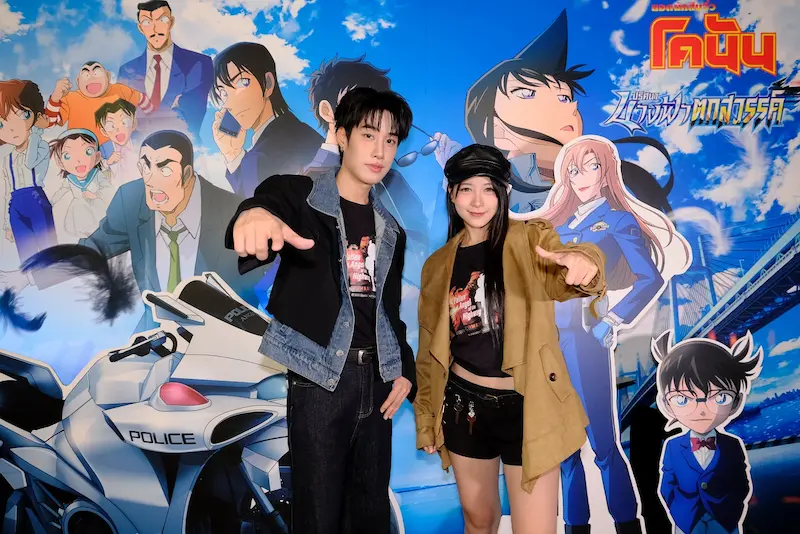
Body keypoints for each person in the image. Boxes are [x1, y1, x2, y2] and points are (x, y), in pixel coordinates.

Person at [225, 87, 416, 533]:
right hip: (319, 380)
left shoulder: (391, 230)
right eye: (368, 135)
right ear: (342, 136)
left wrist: (404, 370)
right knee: (317, 516)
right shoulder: (300, 196)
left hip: (379, 381)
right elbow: (263, 205)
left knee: (370, 516)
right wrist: (253, 216)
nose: (380, 150)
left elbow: (389, 312)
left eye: (390, 140)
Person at [414, 143, 607, 534]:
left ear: (504, 192)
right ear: (452, 194)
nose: (477, 201)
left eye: (489, 188)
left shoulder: (529, 239)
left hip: (528, 404)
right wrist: (426, 417)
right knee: (478, 521)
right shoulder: (436, 266)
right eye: (466, 189)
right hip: (464, 405)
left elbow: (569, 265)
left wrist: (586, 262)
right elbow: (429, 350)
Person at [532, 134, 692, 534]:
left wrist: (614, 319)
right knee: (565, 449)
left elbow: (649, 277)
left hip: (585, 338)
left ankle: (626, 525)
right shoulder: (556, 225)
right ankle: (576, 527)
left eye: (591, 166)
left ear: (606, 172)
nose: (581, 176)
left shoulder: (618, 220)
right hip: (546, 341)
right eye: (573, 169)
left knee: (602, 444)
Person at [0, 130, 270, 333]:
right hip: (157, 332)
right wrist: (28, 276)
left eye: (164, 167)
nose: (151, 180)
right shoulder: (131, 200)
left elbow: (263, 283)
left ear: (188, 174)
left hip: (224, 336)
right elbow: (92, 249)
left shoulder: (233, 212)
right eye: (145, 166)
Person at [652, 330, 762, 534]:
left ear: (736, 401)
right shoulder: (672, 446)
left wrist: (733, 510)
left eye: (720, 397)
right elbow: (667, 486)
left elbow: (742, 483)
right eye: (683, 399)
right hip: (686, 523)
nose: (702, 409)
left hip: (725, 521)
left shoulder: (732, 445)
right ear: (666, 404)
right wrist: (679, 513)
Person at [211, 41, 322, 198]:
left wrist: (236, 157)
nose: (229, 103)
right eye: (223, 93)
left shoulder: (289, 142)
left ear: (268, 84)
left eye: (242, 83)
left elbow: (255, 201)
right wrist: (233, 154)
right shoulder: (281, 137)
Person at [117, 0, 214, 140]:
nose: (155, 28)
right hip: (137, 150)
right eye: (147, 22)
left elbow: (191, 116)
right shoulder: (126, 71)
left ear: (171, 22)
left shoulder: (198, 63)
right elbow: (124, 119)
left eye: (162, 20)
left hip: (184, 147)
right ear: (140, 28)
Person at [0, 79, 57, 265]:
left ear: (35, 115)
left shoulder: (40, 145)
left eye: (22, 115)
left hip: (36, 198)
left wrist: (37, 132)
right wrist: (7, 223)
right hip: (15, 204)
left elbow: (30, 162)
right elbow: (6, 190)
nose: (12, 128)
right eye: (1, 123)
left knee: (48, 250)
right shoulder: (7, 157)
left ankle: (55, 280)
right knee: (27, 255)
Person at [44, 61, 154, 150]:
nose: (92, 78)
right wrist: (55, 97)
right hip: (83, 155)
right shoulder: (70, 99)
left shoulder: (120, 90)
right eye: (86, 75)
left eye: (96, 73)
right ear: (78, 81)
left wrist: (145, 122)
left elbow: (145, 102)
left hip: (117, 153)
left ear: (108, 76)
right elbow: (49, 122)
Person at [48, 129, 114, 239]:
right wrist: (50, 203)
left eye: (88, 152)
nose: (78, 160)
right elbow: (61, 191)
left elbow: (108, 188)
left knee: (100, 227)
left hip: (96, 205)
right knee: (81, 229)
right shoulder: (70, 179)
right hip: (78, 209)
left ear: (97, 157)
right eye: (68, 156)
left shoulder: (96, 174)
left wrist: (96, 195)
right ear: (60, 163)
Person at [95, 99, 140, 187]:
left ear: (134, 124)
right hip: (116, 187)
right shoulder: (104, 148)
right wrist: (108, 162)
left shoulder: (140, 141)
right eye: (111, 126)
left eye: (124, 122)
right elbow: (96, 169)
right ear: (104, 132)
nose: (118, 129)